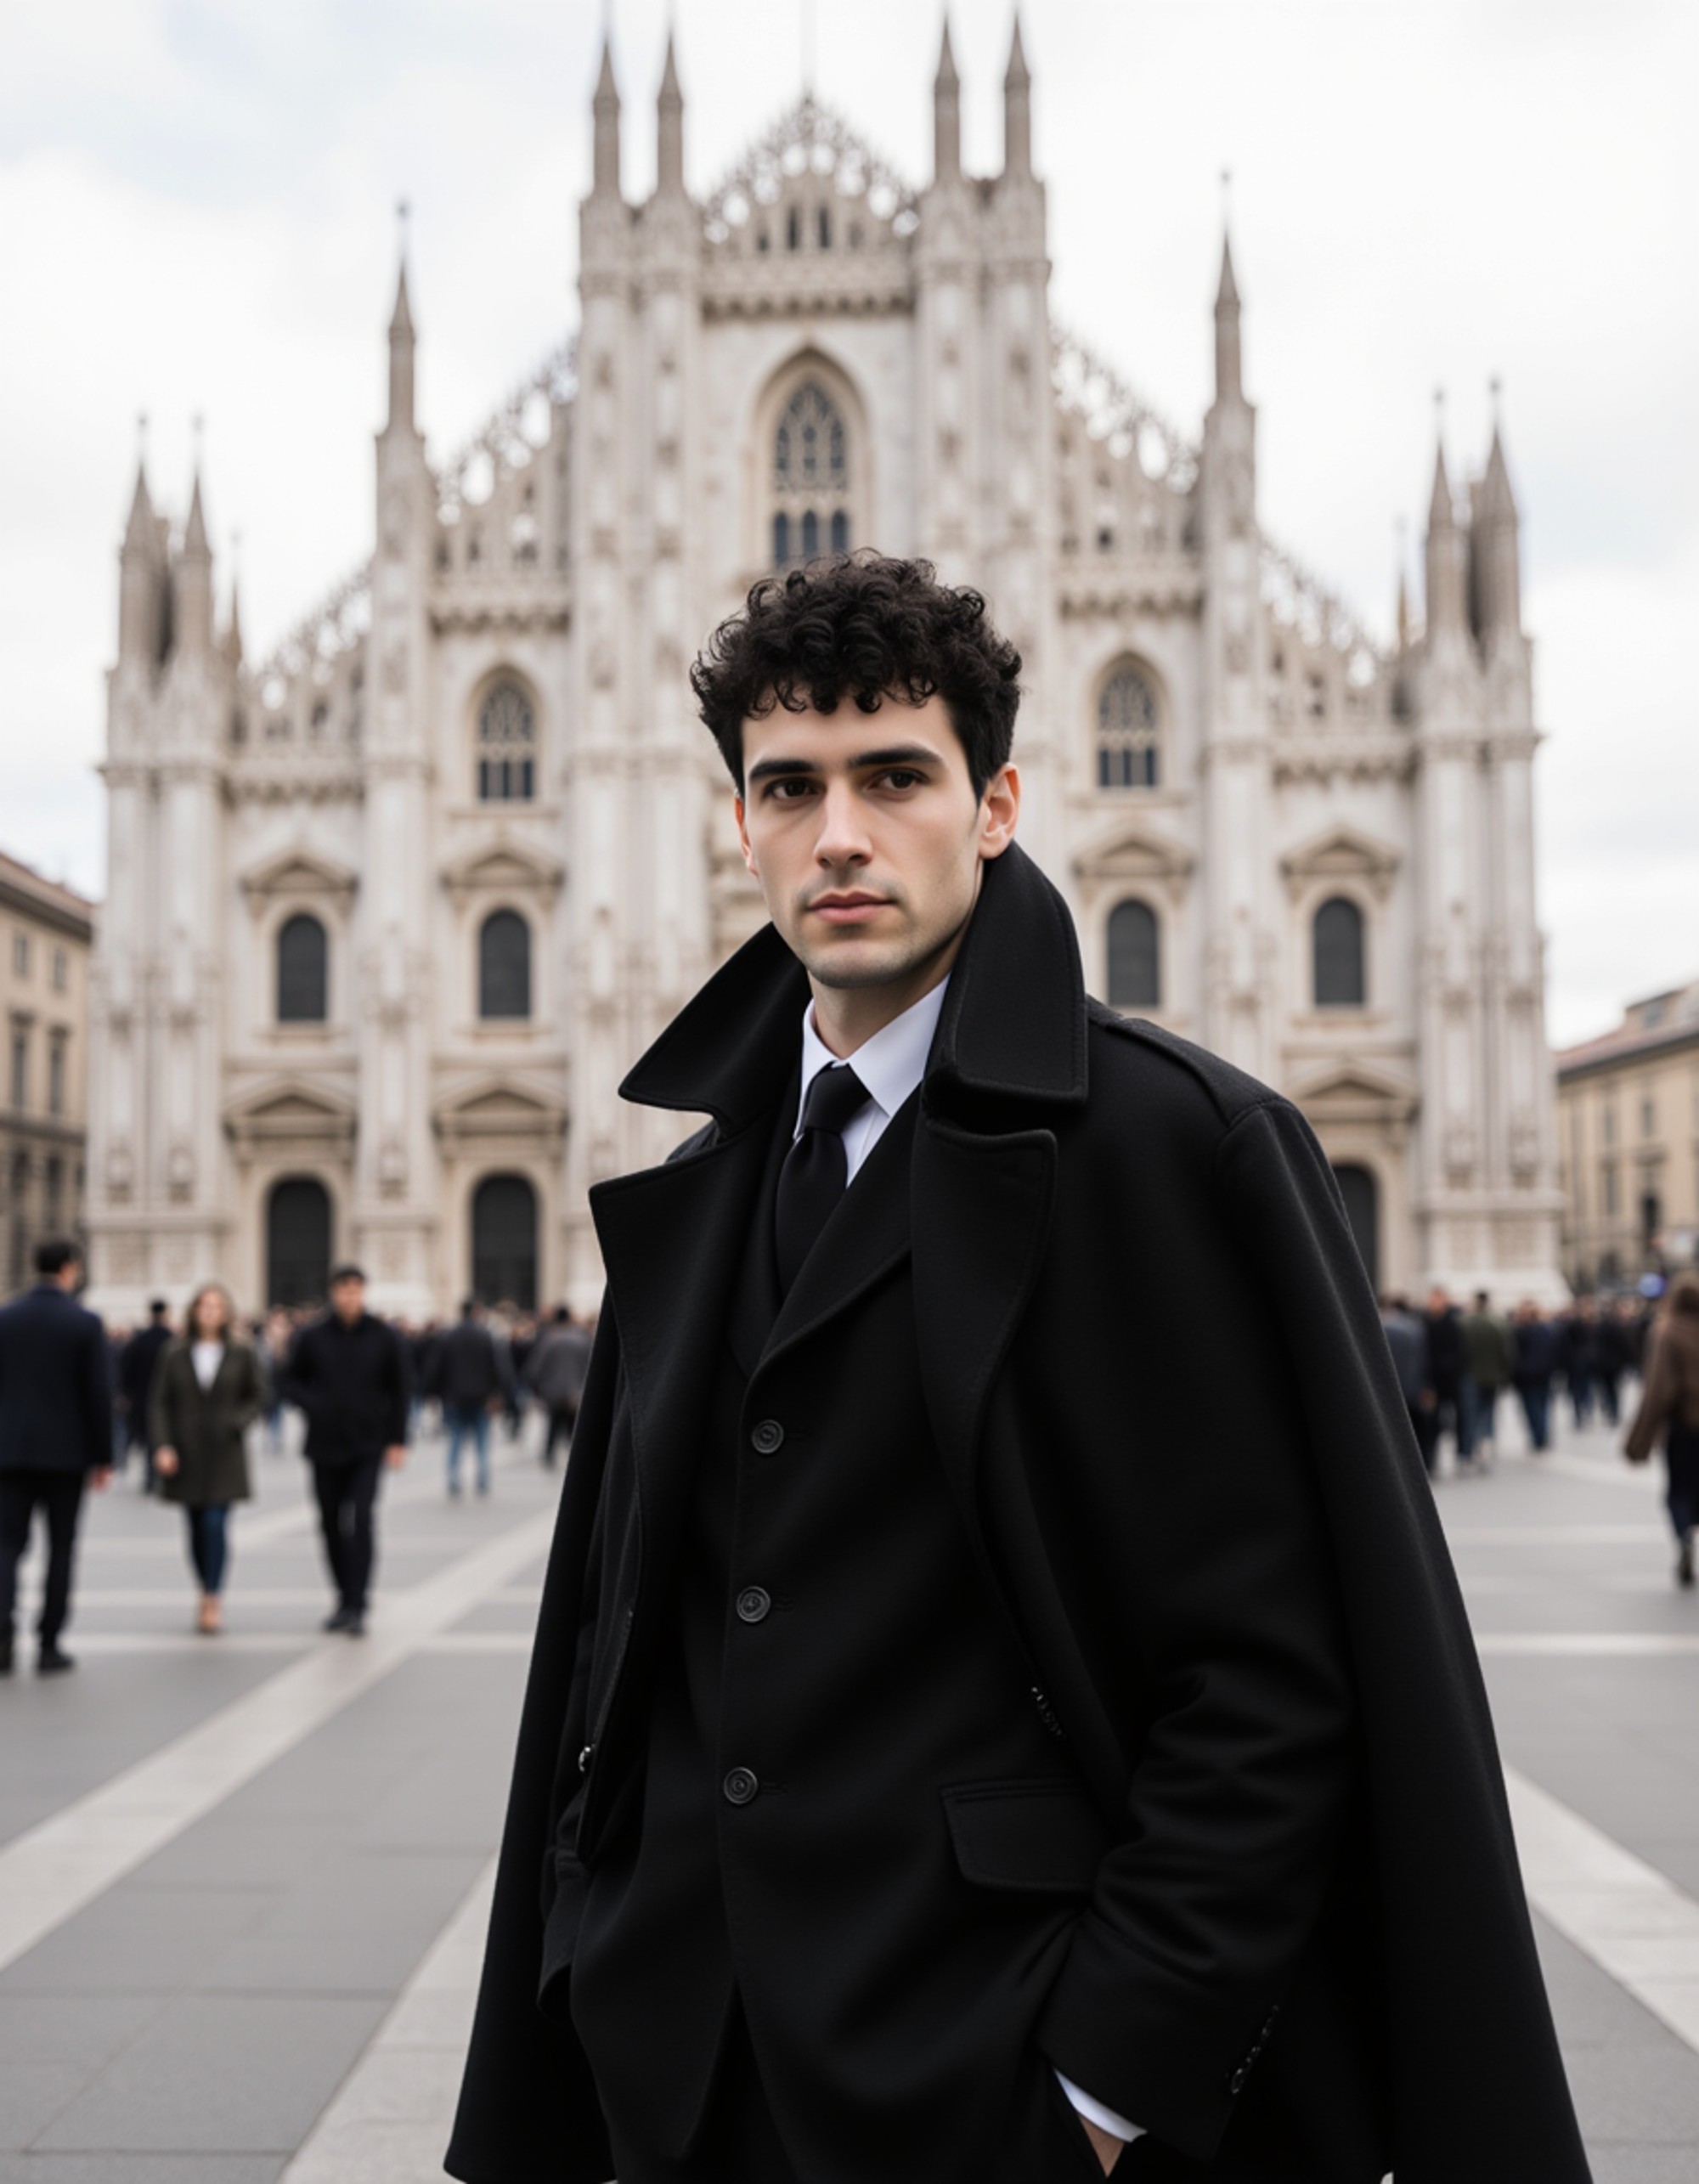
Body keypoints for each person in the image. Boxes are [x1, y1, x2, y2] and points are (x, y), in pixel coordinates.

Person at [448, 556, 1586, 2184]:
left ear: (995, 807)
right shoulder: (699, 1178)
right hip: (683, 2077)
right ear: (740, 826)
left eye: (895, 776)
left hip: (995, 2081)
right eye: (791, 786)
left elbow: (1273, 1689)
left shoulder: (1177, 1153)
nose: (840, 832)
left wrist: (1102, 2092)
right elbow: (619, 1652)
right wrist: (590, 1930)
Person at [0, 1239, 113, 1675]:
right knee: (61, 1549)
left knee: (7, 1546)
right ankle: (49, 1643)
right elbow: (98, 1396)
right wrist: (103, 1457)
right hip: (67, 1457)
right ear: (69, 1269)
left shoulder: (5, 1318)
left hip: (9, 1453)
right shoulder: (83, 1323)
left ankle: (3, 1635)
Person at [279, 1265, 410, 1636]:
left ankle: (359, 1599)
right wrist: (312, 1403)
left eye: (355, 1291)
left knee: (362, 1518)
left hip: (369, 1444)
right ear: (334, 1294)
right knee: (330, 1524)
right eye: (343, 1291)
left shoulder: (384, 1336)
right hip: (323, 1445)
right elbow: (287, 1379)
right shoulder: (313, 1336)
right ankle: (342, 1597)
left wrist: (398, 1439)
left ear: (363, 1293)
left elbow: (401, 1390)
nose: (349, 1297)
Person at [150, 1282, 264, 1634]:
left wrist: (238, 1423)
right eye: (204, 1306)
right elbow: (160, 1402)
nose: (210, 1312)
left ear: (226, 1312)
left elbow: (259, 1395)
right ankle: (204, 1585)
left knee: (216, 1524)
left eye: (216, 1306)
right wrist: (163, 1445)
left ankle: (212, 1596)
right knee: (195, 1527)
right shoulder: (174, 1352)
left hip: (225, 1453)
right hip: (186, 1452)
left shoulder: (242, 1352)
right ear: (194, 1312)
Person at [1624, 1272, 1699, 1589]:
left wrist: (1639, 1439)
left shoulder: (1668, 1332)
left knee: (1679, 1490)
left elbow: (1659, 1388)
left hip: (1684, 1426)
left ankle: (1683, 1537)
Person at [434, 1299, 504, 1498]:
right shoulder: (485, 1336)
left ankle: (454, 1479)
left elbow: (439, 1368)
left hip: (454, 1397)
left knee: (456, 1439)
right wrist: (497, 1392)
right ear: (476, 1312)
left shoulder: (449, 1336)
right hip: (481, 1397)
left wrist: (438, 1393)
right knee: (481, 1441)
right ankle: (482, 1479)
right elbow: (496, 1367)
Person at [526, 1305, 595, 1470]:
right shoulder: (583, 1340)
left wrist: (537, 1390)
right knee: (573, 1430)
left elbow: (535, 1369)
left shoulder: (550, 1340)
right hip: (576, 1393)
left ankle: (549, 1457)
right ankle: (576, 1461)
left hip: (554, 1392)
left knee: (553, 1426)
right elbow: (591, 1366)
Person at [118, 1297, 173, 1491]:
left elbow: (127, 1367)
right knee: (161, 1436)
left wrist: (126, 1392)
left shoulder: (140, 1339)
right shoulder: (172, 1339)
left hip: (142, 1396)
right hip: (167, 1398)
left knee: (149, 1438)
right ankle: (157, 1476)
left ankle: (150, 1475)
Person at [1378, 1294, 1437, 1477]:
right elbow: (1425, 1361)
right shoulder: (1416, 1329)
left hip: (1392, 1390)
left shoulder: (1382, 1329)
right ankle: (1425, 1465)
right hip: (1415, 1388)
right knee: (1420, 1430)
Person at [1459, 1290, 1514, 1469]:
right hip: (1492, 1376)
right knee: (1488, 1414)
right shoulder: (1498, 1323)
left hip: (1470, 1375)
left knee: (1470, 1415)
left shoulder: (1465, 1323)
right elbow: (1506, 1352)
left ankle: (1468, 1452)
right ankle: (1486, 1446)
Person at [1421, 1284, 1468, 1464]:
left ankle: (1462, 1453)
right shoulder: (1426, 1322)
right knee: (1432, 1421)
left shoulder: (1453, 1322)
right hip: (1433, 1381)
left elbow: (1461, 1352)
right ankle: (1431, 1458)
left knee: (1458, 1418)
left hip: (1452, 1380)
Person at [1512, 1301, 1561, 1455]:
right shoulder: (1547, 1330)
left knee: (1533, 1408)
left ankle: (1538, 1437)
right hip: (1542, 1374)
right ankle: (1542, 1436)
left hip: (1528, 1376)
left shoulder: (1520, 1331)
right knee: (1542, 1406)